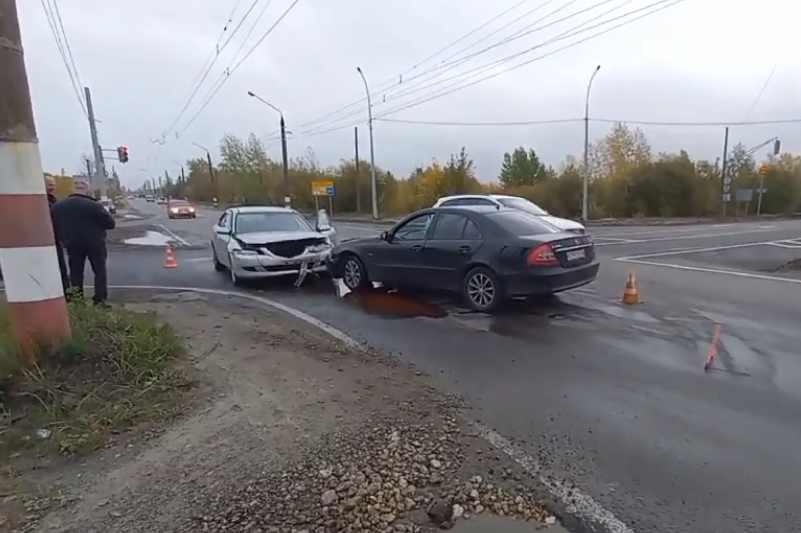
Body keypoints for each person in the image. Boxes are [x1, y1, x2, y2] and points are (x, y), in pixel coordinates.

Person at [52, 180, 116, 304]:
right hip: (95, 243)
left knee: (75, 272)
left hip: (72, 243)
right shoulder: (94, 205)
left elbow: (54, 225)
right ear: (87, 190)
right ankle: (100, 300)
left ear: (72, 189)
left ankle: (77, 299)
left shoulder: (59, 206)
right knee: (99, 271)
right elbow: (110, 224)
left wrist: (63, 237)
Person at [45, 175, 70, 294]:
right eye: (50, 184)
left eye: (53, 184)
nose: (52, 187)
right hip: (45, 240)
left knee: (61, 267)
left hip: (56, 239)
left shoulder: (53, 200)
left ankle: (65, 291)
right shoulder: (39, 201)